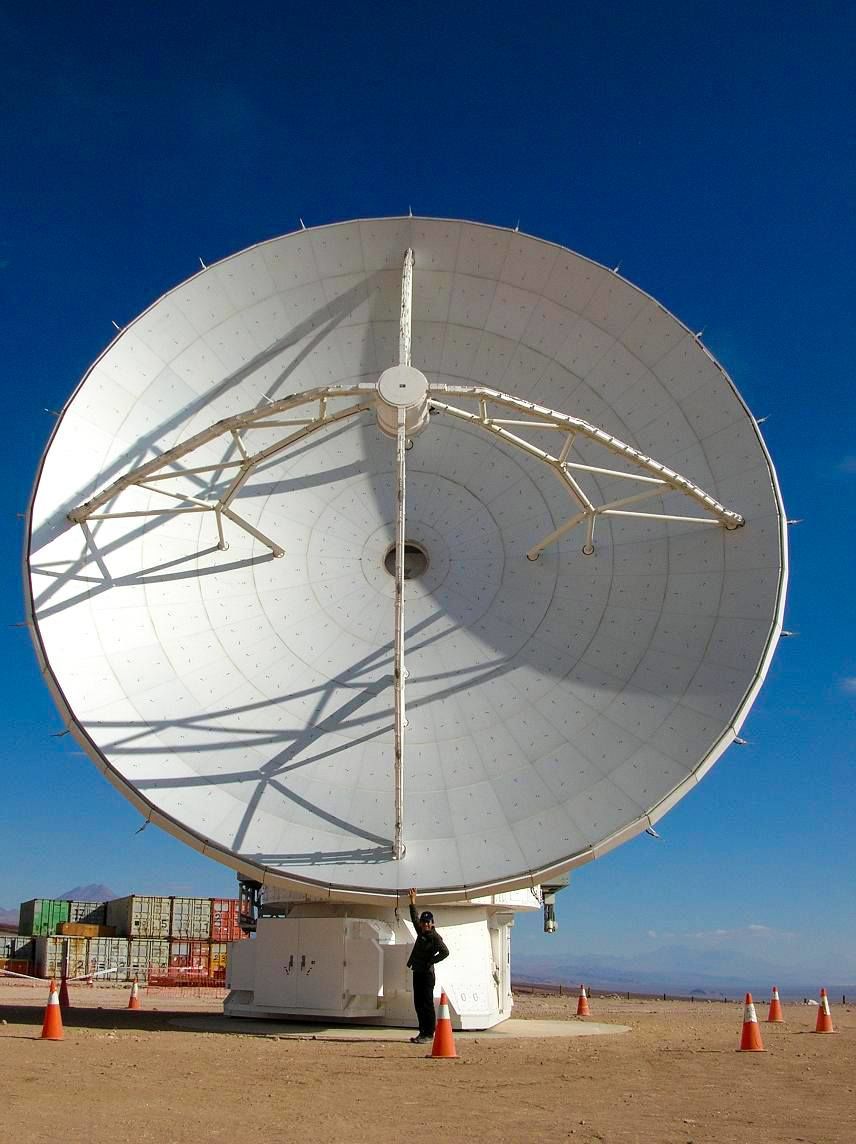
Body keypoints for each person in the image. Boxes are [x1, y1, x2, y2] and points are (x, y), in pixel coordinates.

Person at [406, 887, 449, 1043]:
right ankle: (422, 1032)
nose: (424, 924)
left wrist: (432, 960)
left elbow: (445, 952)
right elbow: (414, 918)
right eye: (423, 922)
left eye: (427, 922)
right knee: (418, 1003)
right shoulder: (421, 932)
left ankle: (429, 1033)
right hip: (418, 971)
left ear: (432, 923)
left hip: (427, 974)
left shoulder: (435, 938)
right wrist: (412, 901)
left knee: (427, 1004)